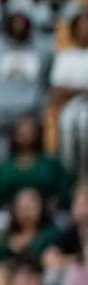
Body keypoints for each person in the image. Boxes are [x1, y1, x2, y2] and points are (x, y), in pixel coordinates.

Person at [0, 13, 54, 158]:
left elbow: (46, 79)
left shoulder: (43, 50)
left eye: (22, 22)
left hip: (31, 111)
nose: (18, 27)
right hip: (3, 112)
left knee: (36, 150)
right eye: (15, 22)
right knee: (1, 153)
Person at [0, 116, 70, 214]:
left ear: (38, 133)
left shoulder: (51, 165)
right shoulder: (3, 169)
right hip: (9, 217)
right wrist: (15, 209)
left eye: (30, 131)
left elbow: (64, 193)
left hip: (49, 215)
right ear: (14, 135)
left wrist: (49, 206)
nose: (26, 135)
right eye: (22, 131)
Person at [51, 13, 88, 179]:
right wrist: (82, 90)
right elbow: (58, 89)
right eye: (82, 26)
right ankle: (69, 176)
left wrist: (73, 88)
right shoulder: (65, 56)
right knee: (68, 123)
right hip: (71, 107)